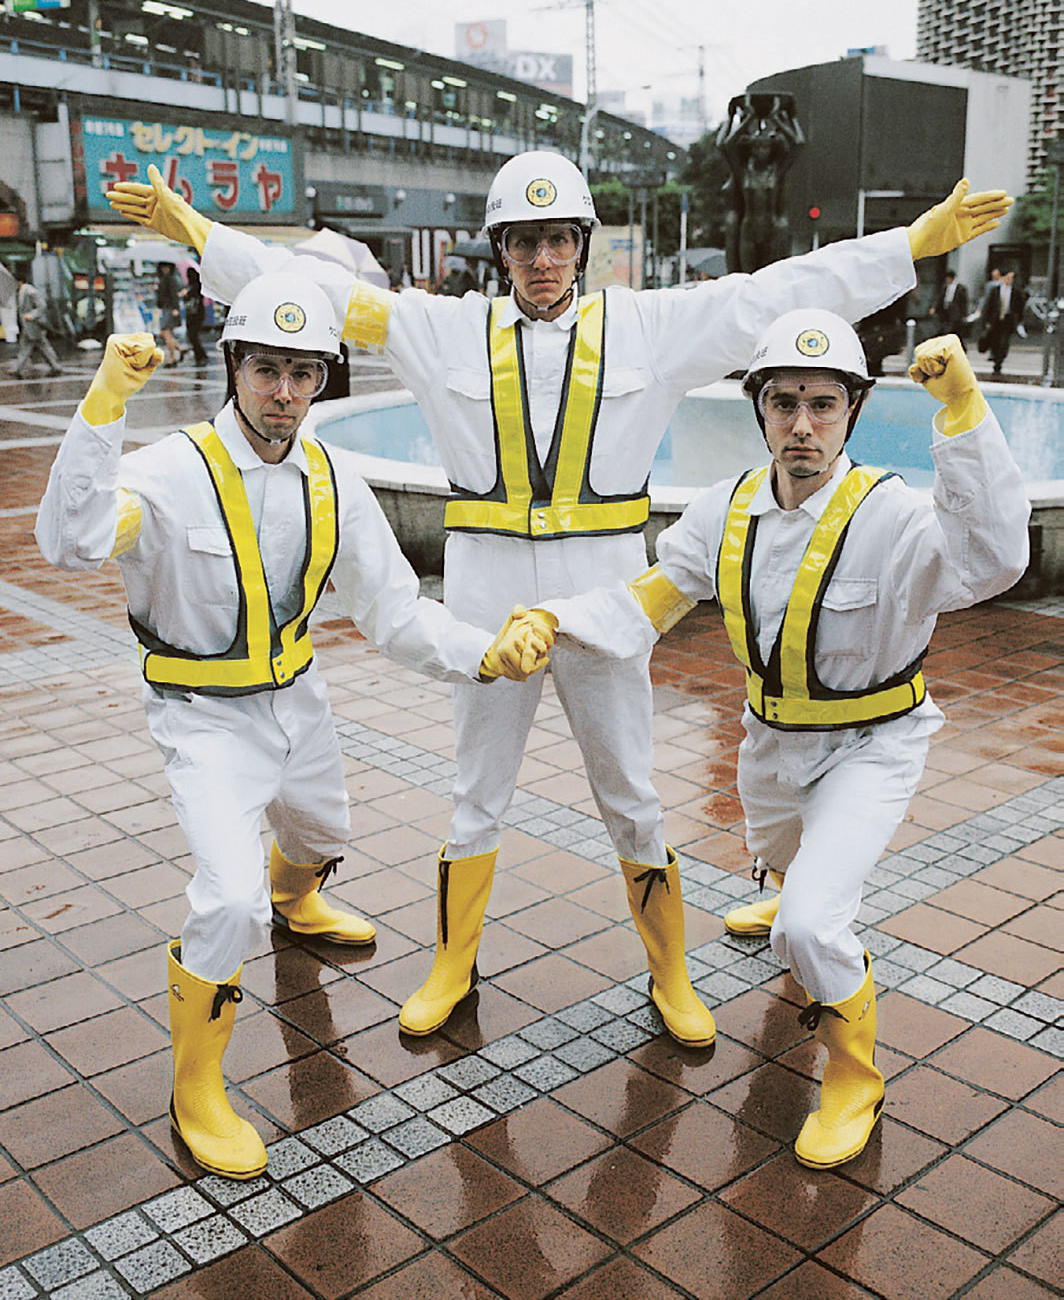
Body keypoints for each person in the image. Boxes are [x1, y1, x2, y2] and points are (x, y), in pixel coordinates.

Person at [105, 156, 1012, 1052]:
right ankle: (453, 965)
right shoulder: (442, 329)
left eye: (559, 240)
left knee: (632, 793)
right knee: (475, 792)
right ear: (501, 248)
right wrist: (194, 233)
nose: (543, 259)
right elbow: (305, 294)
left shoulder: (650, 325)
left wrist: (918, 242)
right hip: (486, 583)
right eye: (525, 241)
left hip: (604, 583)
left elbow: (778, 295)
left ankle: (670, 974)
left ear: (584, 244)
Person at [34, 272, 551, 1181]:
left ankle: (296, 898)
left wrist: (485, 654)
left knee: (322, 832)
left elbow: (392, 612)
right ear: (234, 366)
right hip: (201, 717)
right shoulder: (165, 474)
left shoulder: (333, 478)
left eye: (304, 373)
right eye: (266, 368)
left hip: (298, 701)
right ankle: (197, 1088)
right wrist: (105, 403)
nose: (284, 392)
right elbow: (68, 542)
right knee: (226, 901)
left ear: (323, 380)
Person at [538, 310, 1029, 1168]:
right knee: (776, 858)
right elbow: (649, 599)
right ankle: (801, 891)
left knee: (806, 927)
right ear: (759, 409)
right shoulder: (729, 509)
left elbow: (992, 560)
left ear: (853, 412)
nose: (803, 424)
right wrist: (551, 622)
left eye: (824, 404)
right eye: (784, 402)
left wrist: (963, 414)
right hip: (770, 743)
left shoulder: (894, 516)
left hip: (872, 742)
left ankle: (853, 1077)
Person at [11, 270, 62, 377]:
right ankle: (55, 365)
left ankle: (17, 368)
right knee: (35, 346)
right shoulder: (21, 291)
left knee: (37, 346)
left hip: (33, 324)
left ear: (19, 281)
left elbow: (41, 305)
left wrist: (32, 315)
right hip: (28, 326)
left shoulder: (30, 291)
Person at [976, 268, 1026, 375]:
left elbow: (1020, 307)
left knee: (1004, 342)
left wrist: (1019, 321)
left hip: (1008, 320)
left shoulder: (1016, 292)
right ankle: (995, 357)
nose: (1010, 280)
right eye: (1008, 277)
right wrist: (986, 321)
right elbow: (988, 306)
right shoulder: (995, 290)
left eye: (1012, 278)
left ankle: (999, 362)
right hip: (995, 320)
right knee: (995, 341)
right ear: (1003, 278)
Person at [928, 268, 969, 345]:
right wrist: (934, 308)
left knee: (954, 330)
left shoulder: (961, 288)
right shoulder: (945, 287)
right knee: (946, 329)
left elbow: (964, 302)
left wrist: (964, 314)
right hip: (945, 310)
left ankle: (959, 346)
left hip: (956, 312)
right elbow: (939, 298)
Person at [155, 259, 184, 366]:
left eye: (167, 267)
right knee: (167, 334)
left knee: (166, 333)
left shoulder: (170, 279)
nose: (165, 269)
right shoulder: (162, 279)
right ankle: (178, 350)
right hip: (166, 308)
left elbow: (173, 295)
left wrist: (175, 308)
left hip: (170, 309)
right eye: (163, 267)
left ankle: (172, 356)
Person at [182, 266, 209, 366]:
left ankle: (201, 356)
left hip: (195, 315)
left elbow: (192, 299)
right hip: (194, 314)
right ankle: (200, 356)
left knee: (193, 336)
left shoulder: (196, 287)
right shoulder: (191, 287)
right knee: (192, 336)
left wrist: (186, 294)